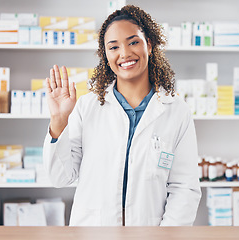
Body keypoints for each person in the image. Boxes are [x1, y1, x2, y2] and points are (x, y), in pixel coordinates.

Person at [43, 5, 201, 226]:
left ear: (150, 44)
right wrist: (59, 121)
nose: (125, 53)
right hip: (93, 232)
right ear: (106, 55)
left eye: (133, 42)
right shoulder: (87, 107)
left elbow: (185, 188)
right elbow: (60, 177)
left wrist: (166, 235)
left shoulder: (176, 111)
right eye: (113, 47)